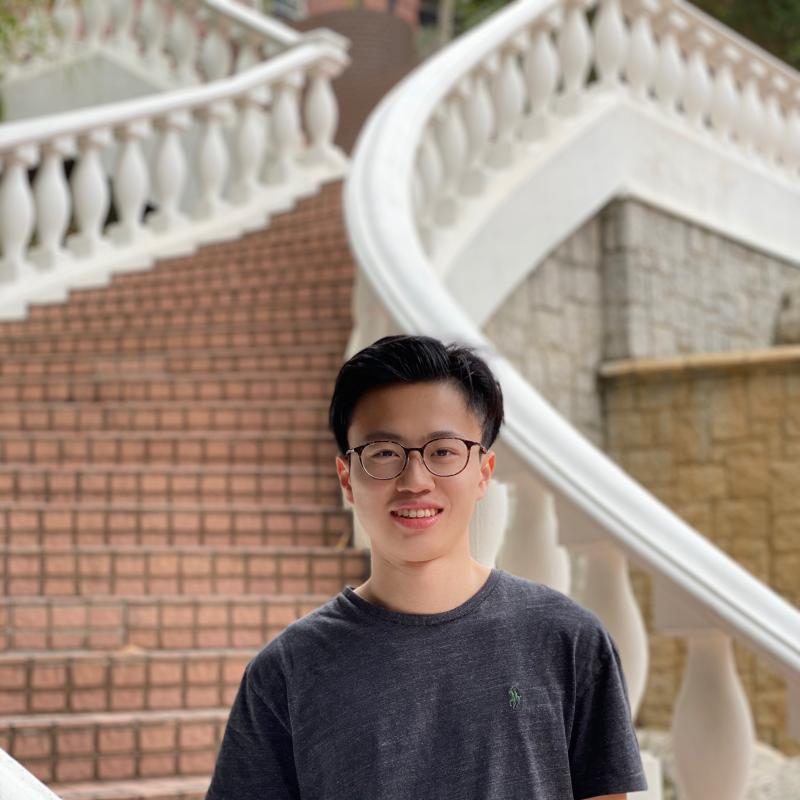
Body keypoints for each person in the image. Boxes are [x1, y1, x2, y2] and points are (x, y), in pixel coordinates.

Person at [205, 335, 649, 799]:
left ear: (483, 471)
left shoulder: (568, 641)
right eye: (383, 454)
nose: (414, 481)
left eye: (442, 451)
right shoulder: (288, 671)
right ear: (347, 479)